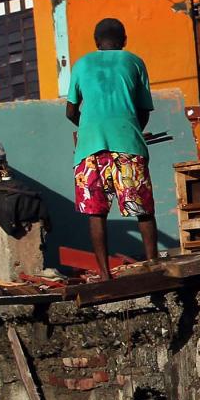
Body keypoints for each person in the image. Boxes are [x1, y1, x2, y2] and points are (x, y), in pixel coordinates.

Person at [66, 17, 158, 280]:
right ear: (124, 40)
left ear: (96, 43)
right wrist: (133, 130)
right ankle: (153, 265)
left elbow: (71, 110)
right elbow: (143, 110)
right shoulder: (134, 61)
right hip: (127, 143)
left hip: (89, 148)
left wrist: (86, 127)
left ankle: (106, 275)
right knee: (142, 208)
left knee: (96, 212)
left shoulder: (81, 64)